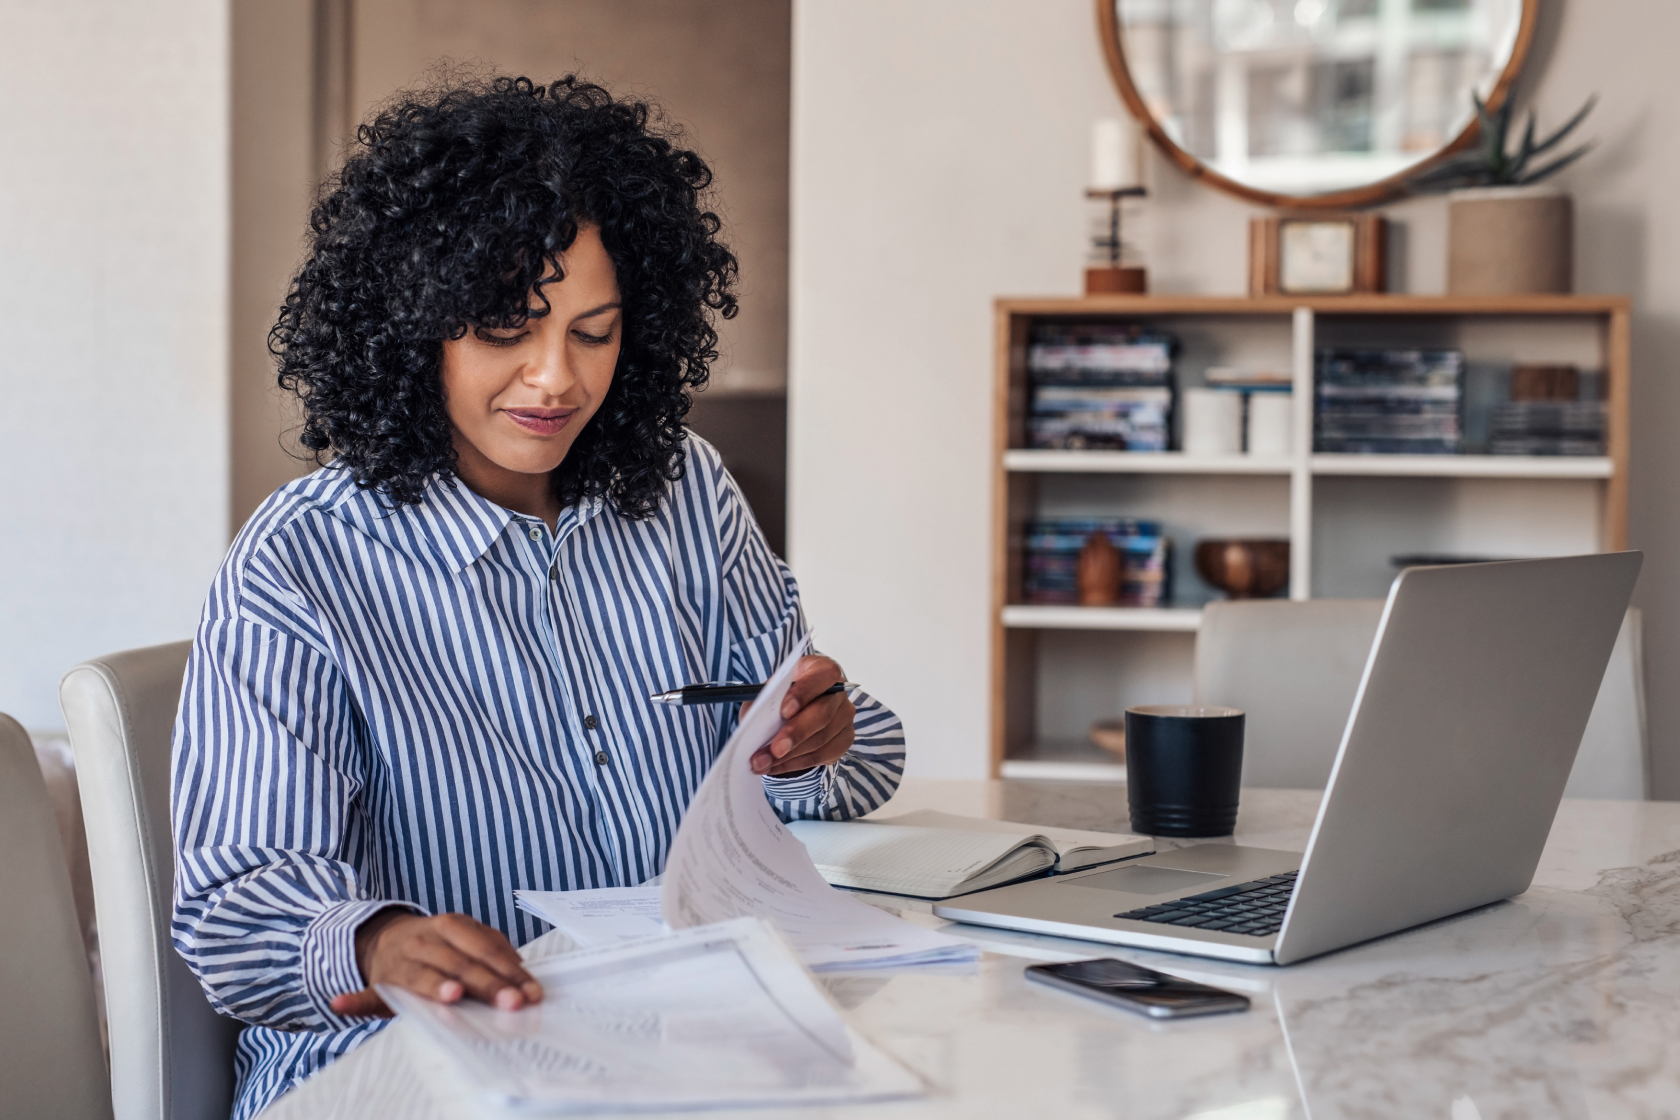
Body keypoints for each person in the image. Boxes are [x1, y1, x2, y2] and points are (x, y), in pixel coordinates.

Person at [171, 75, 905, 1120]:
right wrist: (377, 942)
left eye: (593, 333)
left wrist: (818, 741)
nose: (554, 378)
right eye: (506, 328)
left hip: (679, 1051)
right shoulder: (303, 562)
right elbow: (238, 908)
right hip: (405, 1074)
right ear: (414, 324)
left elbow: (818, 780)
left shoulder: (688, 493)